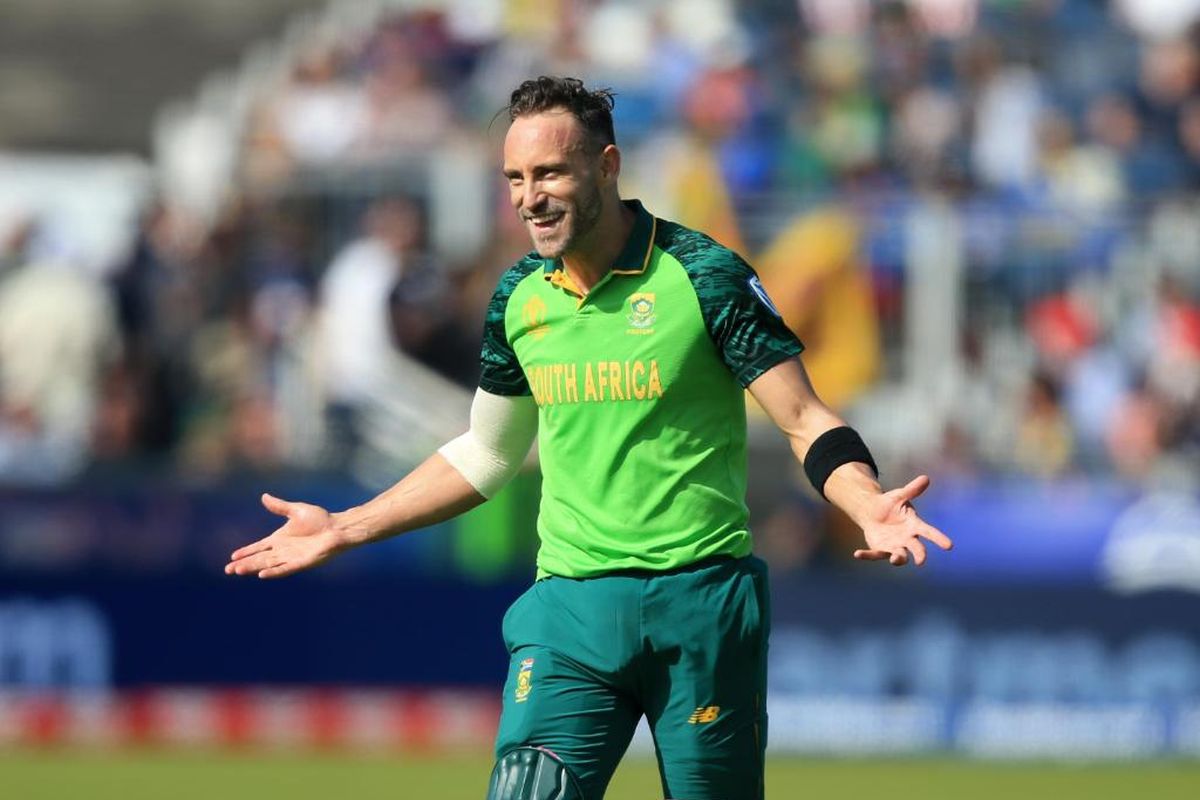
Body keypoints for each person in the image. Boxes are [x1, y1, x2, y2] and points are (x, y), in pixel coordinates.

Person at [225, 76, 952, 800]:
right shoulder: (519, 297)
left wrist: (865, 501)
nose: (529, 198)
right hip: (569, 611)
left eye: (549, 173)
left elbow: (803, 418)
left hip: (701, 607)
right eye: (515, 178)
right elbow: (487, 452)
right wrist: (345, 527)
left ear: (607, 166)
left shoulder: (704, 276)